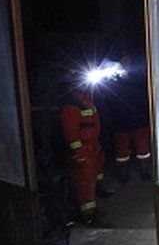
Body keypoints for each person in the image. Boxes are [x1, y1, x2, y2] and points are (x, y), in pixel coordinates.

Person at [60, 78, 107, 224]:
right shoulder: (72, 104)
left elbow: (95, 122)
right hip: (82, 147)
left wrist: (96, 142)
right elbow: (71, 132)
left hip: (91, 144)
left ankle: (92, 210)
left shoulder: (85, 99)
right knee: (84, 182)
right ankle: (87, 215)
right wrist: (78, 152)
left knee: (92, 177)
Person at [108, 51, 152, 183]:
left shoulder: (138, 78)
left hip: (138, 120)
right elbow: (109, 100)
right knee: (122, 152)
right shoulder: (113, 79)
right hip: (121, 121)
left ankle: (144, 171)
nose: (125, 63)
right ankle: (123, 173)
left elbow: (145, 96)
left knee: (143, 150)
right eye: (123, 60)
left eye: (127, 60)